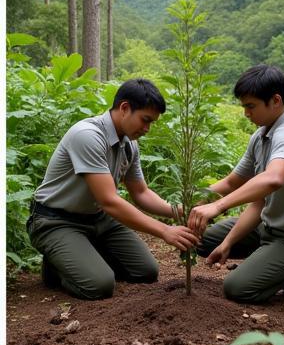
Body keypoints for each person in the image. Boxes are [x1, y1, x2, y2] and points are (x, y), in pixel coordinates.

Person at [28, 78, 199, 299]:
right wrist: (165, 231)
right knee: (99, 286)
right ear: (125, 108)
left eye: (152, 123)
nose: (147, 129)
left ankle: (82, 255)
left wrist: (180, 211)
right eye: (145, 120)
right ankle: (56, 268)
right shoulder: (87, 135)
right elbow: (109, 200)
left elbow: (141, 193)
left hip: (97, 219)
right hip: (56, 221)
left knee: (145, 271)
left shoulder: (129, 144)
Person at [188, 65, 284, 301]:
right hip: (268, 226)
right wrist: (199, 204)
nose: (246, 113)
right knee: (202, 241)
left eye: (250, 106)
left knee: (237, 288)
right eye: (244, 106)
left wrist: (218, 207)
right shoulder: (261, 136)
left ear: (275, 101)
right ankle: (270, 259)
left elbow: (274, 179)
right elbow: (238, 184)